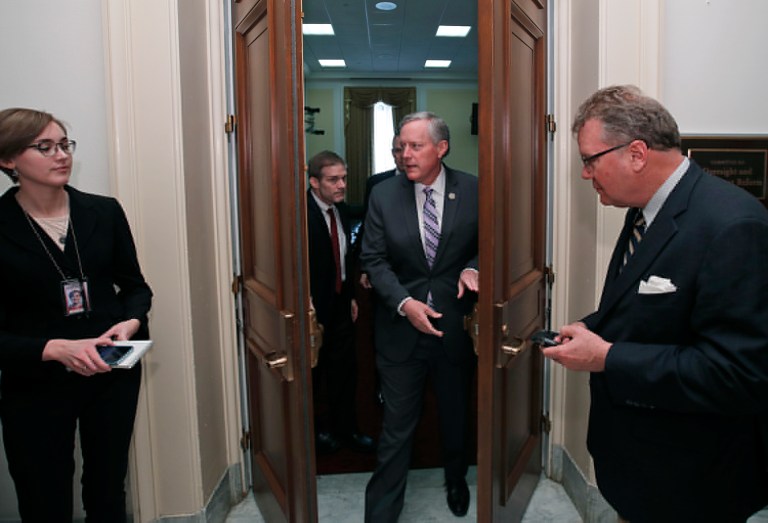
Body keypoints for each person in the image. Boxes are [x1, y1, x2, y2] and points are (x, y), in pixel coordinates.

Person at [542, 86, 768, 522]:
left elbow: (739, 374)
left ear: (637, 153)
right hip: (644, 467)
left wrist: (607, 357)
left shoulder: (732, 225)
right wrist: (592, 327)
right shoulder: (645, 210)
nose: (586, 174)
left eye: (590, 160)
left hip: (694, 480)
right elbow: (647, 311)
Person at [0, 107, 153, 522]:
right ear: (9, 160)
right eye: (45, 147)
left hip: (111, 369)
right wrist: (54, 349)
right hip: (35, 380)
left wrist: (132, 321)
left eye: (64, 145)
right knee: (43, 494)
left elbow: (136, 287)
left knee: (107, 487)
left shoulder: (103, 211)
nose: (61, 155)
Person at [361, 112, 479, 521]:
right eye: (401, 146)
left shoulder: (474, 189)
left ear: (441, 148)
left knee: (455, 412)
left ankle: (455, 479)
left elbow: (494, 241)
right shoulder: (382, 194)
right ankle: (382, 511)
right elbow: (373, 259)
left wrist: (475, 267)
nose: (405, 154)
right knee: (396, 428)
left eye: (415, 146)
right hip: (399, 330)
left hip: (454, 326)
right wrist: (404, 304)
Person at [306, 150, 375, 455]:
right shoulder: (300, 214)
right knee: (313, 376)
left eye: (344, 178)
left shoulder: (342, 211)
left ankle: (346, 430)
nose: (342, 185)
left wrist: (349, 296)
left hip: (341, 305)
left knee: (345, 372)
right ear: (313, 182)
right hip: (311, 309)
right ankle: (316, 436)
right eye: (333, 180)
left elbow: (345, 257)